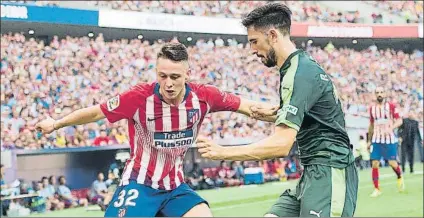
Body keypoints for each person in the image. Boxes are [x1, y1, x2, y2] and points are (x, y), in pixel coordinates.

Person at [35, 42, 276, 217]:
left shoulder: (204, 96)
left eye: (175, 76)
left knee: (203, 215)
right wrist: (57, 123)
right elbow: (96, 112)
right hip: (139, 183)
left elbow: (244, 105)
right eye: (162, 76)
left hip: (174, 185)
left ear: (187, 75)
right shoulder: (138, 98)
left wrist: (276, 112)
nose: (168, 83)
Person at [196, 3, 358, 217]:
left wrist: (223, 152)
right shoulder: (297, 66)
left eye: (254, 41)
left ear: (272, 35)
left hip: (330, 171)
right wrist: (274, 113)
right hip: (312, 172)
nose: (252, 50)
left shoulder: (299, 72)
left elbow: (281, 145)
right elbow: (315, 114)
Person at [367, 86, 404, 197]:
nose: (379, 94)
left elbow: (400, 121)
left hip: (389, 140)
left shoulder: (391, 107)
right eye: (377, 92)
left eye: (381, 92)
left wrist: (390, 128)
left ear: (385, 94)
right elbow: (371, 125)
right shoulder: (372, 109)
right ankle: (377, 189)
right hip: (376, 140)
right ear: (375, 94)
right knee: (375, 163)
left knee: (392, 163)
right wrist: (369, 140)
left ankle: (399, 177)